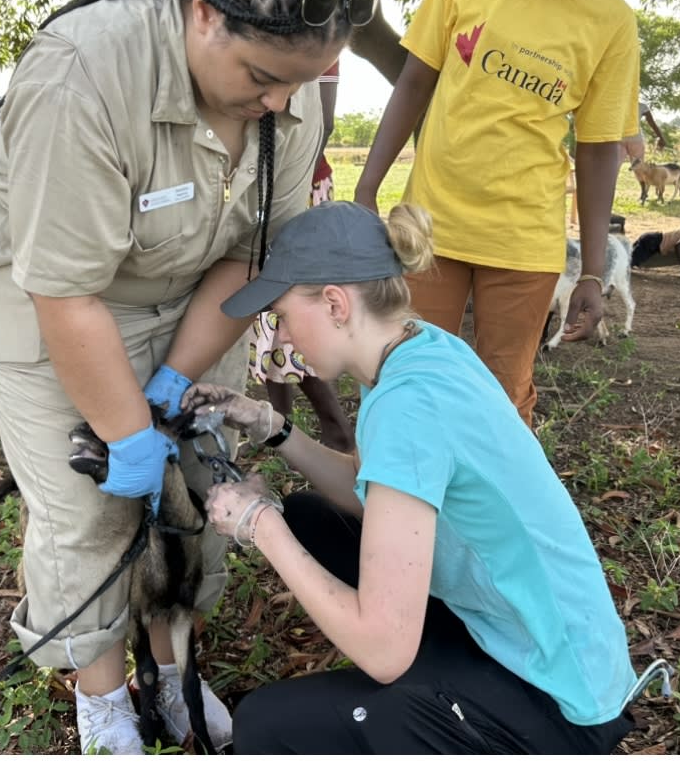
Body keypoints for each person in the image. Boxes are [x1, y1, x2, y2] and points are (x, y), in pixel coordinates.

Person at [0, 0, 380, 754]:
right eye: (263, 78)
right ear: (205, 13)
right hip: (44, 294)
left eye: (301, 87)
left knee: (196, 481)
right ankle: (103, 699)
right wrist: (125, 429)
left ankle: (173, 669)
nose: (280, 108)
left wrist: (176, 378)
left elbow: (246, 253)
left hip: (187, 290)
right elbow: (63, 290)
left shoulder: (282, 109)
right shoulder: (84, 75)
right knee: (91, 505)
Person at [182, 200, 639, 754]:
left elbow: (383, 651)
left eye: (279, 316)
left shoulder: (407, 408)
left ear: (334, 304)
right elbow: (370, 488)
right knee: (308, 518)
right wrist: (268, 424)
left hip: (557, 704)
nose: (277, 340)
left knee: (265, 726)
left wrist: (258, 525)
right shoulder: (420, 348)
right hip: (542, 641)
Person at [354, 0, 659, 427]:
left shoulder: (612, 23)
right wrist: (366, 189)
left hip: (524, 240)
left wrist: (592, 271)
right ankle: (394, 509)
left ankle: (490, 511)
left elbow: (596, 151)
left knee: (502, 397)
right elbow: (415, 81)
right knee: (406, 376)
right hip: (431, 227)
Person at [249, 59, 355, 452]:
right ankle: (280, 427)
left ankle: (336, 429)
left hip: (296, 187)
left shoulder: (315, 32)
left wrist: (281, 177)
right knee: (267, 316)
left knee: (293, 309)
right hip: (266, 183)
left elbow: (320, 124)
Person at [621, 100, 667, 167]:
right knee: (639, 169)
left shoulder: (617, 105)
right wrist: (661, 138)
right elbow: (652, 123)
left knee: (612, 167)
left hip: (618, 139)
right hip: (635, 139)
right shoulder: (641, 106)